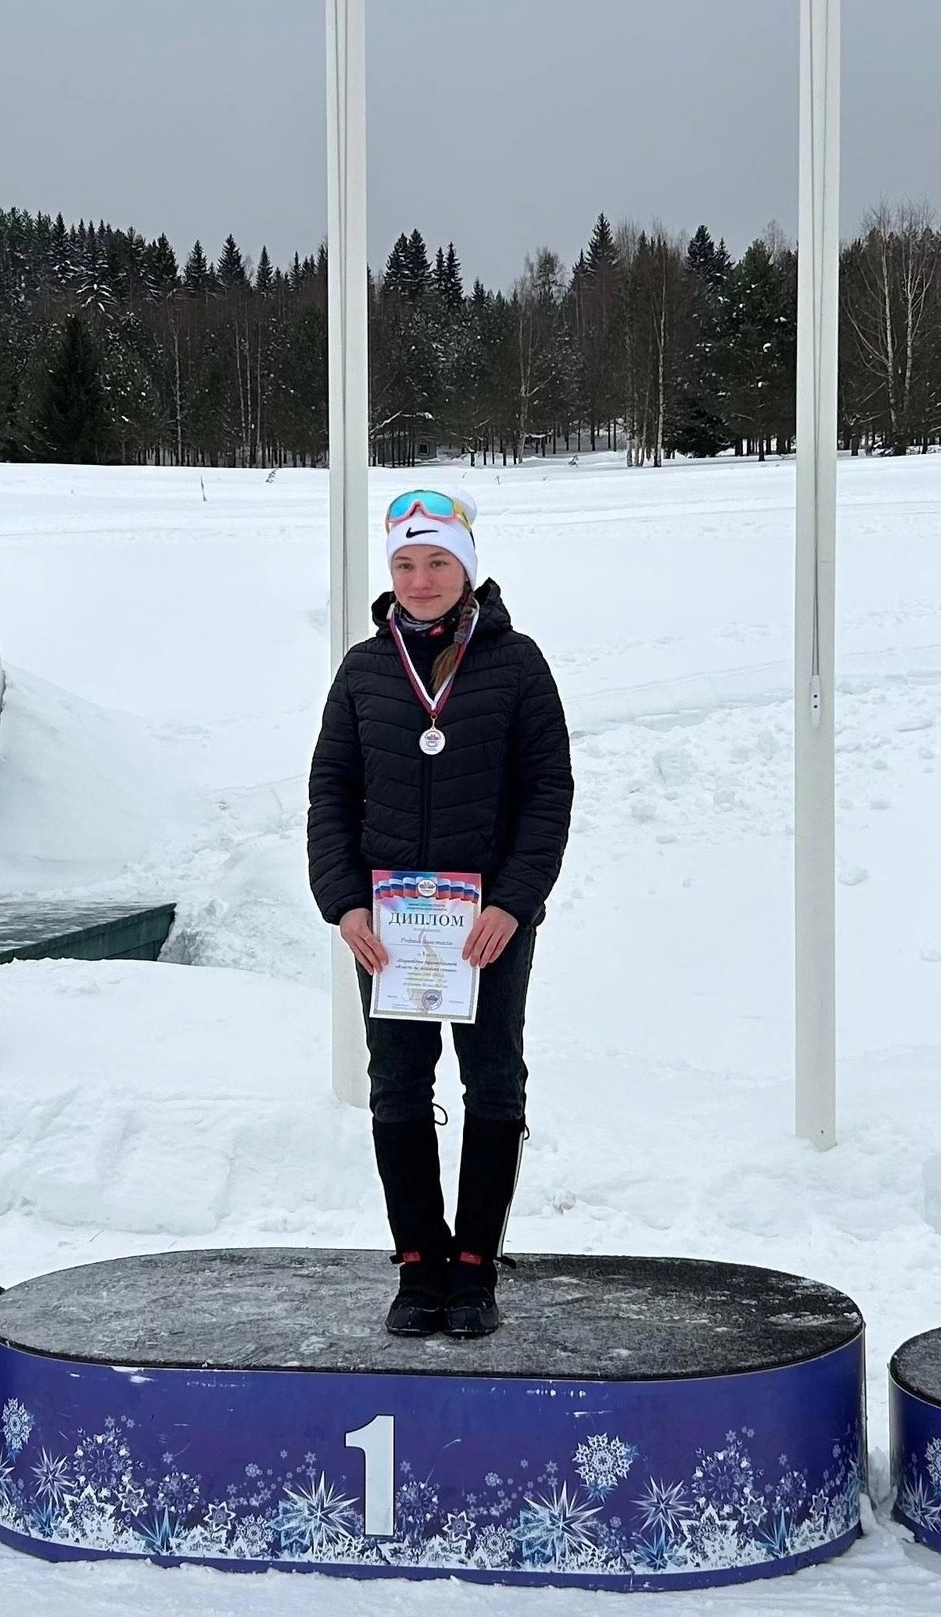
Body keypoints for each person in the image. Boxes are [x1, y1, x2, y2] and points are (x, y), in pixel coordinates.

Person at [308, 490, 574, 1340]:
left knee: (493, 1077)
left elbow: (548, 793)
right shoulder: (362, 669)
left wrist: (513, 901)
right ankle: (418, 1261)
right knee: (398, 1083)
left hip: (484, 926)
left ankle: (475, 1266)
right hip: (388, 928)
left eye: (437, 562)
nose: (420, 579)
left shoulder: (517, 663)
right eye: (405, 563)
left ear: (466, 567)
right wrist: (345, 903)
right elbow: (330, 794)